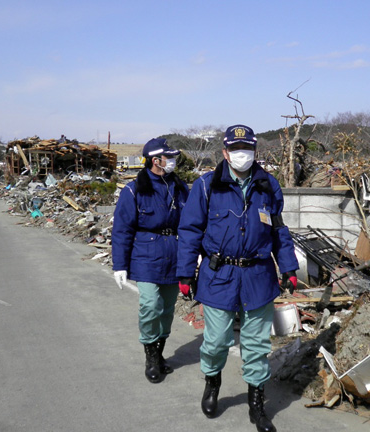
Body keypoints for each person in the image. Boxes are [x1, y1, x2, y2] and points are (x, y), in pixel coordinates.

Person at [176, 125, 299, 432]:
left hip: (258, 274)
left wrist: (289, 267)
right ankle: (212, 382)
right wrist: (185, 273)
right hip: (219, 275)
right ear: (225, 152)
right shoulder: (206, 186)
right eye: (236, 149)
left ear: (255, 151)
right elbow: (190, 232)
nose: (242, 155)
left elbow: (279, 230)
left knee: (256, 345)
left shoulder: (268, 185)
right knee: (216, 341)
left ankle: (256, 404)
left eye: (248, 149)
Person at [111, 138, 189, 383]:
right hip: (146, 255)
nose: (173, 161)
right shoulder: (134, 190)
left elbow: (192, 224)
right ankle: (150, 357)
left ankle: (160, 353)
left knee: (167, 309)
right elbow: (122, 230)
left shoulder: (179, 187)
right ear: (156, 160)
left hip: (173, 254)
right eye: (169, 157)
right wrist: (120, 265)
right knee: (150, 306)